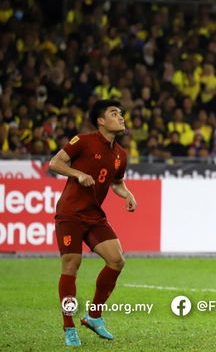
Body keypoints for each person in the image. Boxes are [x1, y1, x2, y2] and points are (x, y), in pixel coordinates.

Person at [48, 99, 137, 347]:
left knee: (117, 260)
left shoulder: (120, 154)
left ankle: (94, 315)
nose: (120, 117)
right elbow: (55, 163)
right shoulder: (83, 141)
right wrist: (78, 174)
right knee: (71, 265)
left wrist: (127, 194)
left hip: (94, 215)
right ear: (101, 120)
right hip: (70, 214)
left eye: (121, 113)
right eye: (114, 113)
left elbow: (116, 183)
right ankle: (69, 327)